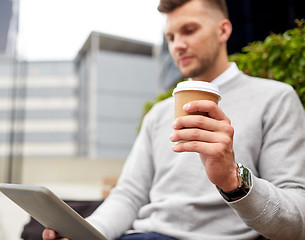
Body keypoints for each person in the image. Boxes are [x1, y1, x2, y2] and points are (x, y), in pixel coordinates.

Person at [43, 0, 305, 239]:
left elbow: (297, 219)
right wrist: (87, 233)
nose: (177, 45)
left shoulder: (275, 99)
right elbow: (129, 195)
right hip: (145, 234)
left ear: (223, 31)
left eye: (189, 30)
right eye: (170, 36)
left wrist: (233, 179)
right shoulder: (158, 114)